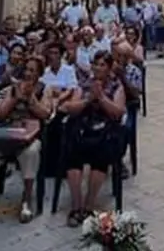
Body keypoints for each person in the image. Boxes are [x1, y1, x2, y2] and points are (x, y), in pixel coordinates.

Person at [0, 57, 50, 225]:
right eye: (27, 69)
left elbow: (45, 114)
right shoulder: (12, 88)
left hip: (29, 136)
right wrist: (14, 97)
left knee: (31, 152)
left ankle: (27, 199)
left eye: (33, 70)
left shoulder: (45, 89)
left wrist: (31, 99)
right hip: (7, 133)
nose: (28, 73)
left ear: (40, 73)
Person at [60, 50, 126, 226]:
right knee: (73, 155)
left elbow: (118, 113)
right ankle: (76, 206)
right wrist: (88, 100)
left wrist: (102, 98)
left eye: (102, 65)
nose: (97, 68)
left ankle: (89, 206)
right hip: (83, 130)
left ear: (109, 68)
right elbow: (70, 107)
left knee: (100, 157)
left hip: (105, 133)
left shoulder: (116, 86)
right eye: (95, 64)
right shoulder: (84, 84)